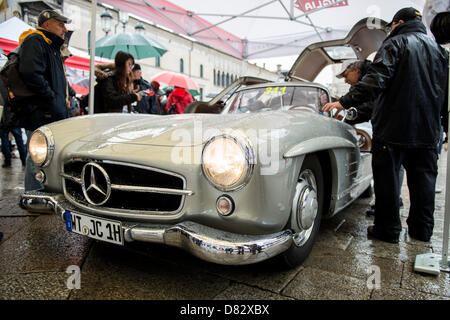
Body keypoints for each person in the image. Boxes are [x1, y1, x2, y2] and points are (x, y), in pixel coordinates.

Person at [323, 7, 449, 243]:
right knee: (424, 183)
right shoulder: (440, 51)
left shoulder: (396, 43)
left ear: (398, 23)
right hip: (428, 131)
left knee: (388, 181)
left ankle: (388, 229)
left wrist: (343, 101)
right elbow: (446, 94)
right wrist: (444, 125)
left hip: (393, 129)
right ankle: (422, 231)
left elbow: (376, 79)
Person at [335, 59, 405, 215]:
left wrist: (345, 110)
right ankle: (391, 202)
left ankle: (388, 208)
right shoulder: (373, 75)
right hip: (397, 125)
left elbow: (372, 105)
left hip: (389, 127)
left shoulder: (371, 79)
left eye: (346, 75)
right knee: (395, 167)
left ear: (356, 70)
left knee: (389, 167)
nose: (346, 81)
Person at [18, 9, 72, 191]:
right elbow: (31, 73)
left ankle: (44, 192)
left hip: (48, 110)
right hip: (40, 111)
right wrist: (51, 97)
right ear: (46, 24)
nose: (64, 29)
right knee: (36, 155)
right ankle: (34, 195)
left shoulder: (51, 46)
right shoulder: (36, 40)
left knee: (45, 155)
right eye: (61, 24)